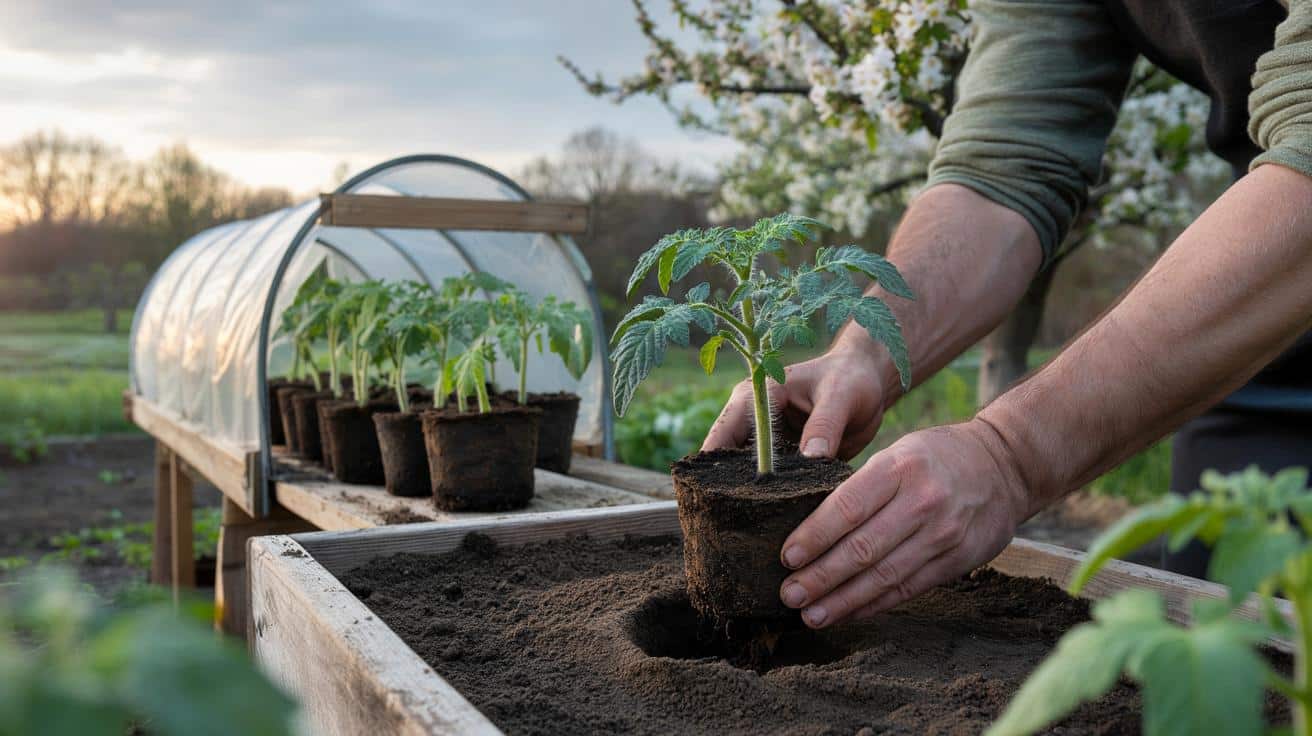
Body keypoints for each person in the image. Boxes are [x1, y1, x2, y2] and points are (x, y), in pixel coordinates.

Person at [702, 0, 1312, 630]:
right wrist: (864, 352)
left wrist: (1009, 455)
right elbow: (1005, 162)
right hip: (1252, 321)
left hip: (1274, 262)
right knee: (1230, 641)